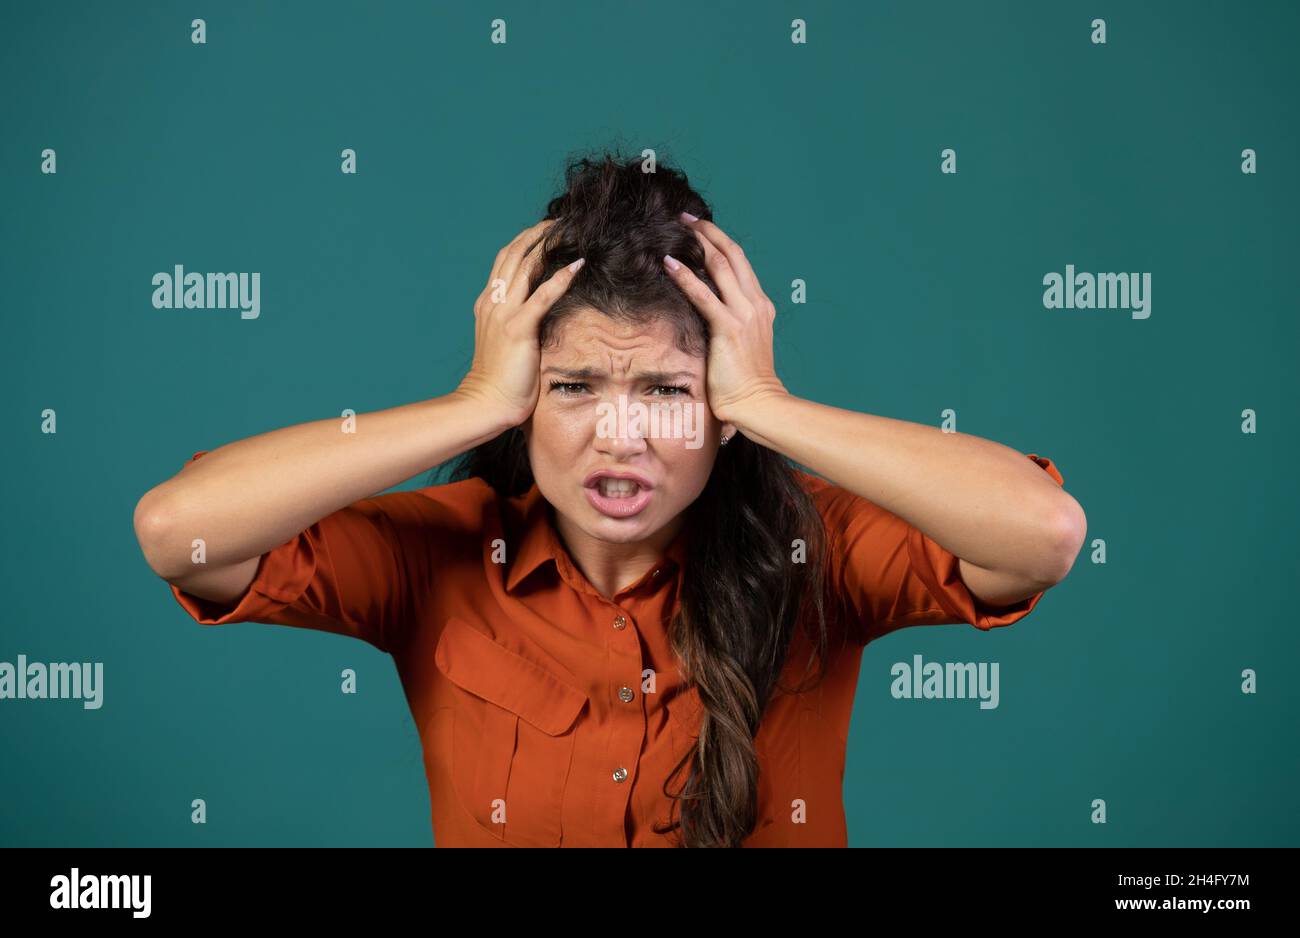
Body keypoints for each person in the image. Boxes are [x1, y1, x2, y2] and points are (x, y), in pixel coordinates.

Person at [133, 151, 1086, 848]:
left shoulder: (816, 550)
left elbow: (1040, 533)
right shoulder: (445, 556)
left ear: (717, 407)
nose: (618, 437)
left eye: (667, 392)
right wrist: (472, 405)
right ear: (526, 400)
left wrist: (769, 405)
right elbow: (181, 532)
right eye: (575, 386)